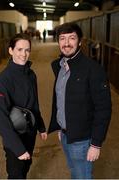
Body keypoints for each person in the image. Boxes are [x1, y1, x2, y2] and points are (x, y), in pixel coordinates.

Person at [48, 22, 111, 179]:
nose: (66, 43)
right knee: (75, 173)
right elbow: (61, 99)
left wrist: (96, 144)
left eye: (72, 38)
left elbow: (103, 108)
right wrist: (59, 126)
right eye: (62, 38)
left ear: (80, 41)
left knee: (82, 176)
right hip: (64, 135)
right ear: (58, 42)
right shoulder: (60, 66)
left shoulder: (93, 70)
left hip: (82, 141)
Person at [0, 33, 47, 179]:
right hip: (14, 135)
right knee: (16, 173)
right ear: (11, 50)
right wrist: (17, 148)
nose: (24, 54)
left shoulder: (31, 75)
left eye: (27, 50)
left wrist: (41, 126)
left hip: (30, 131)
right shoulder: (3, 80)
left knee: (26, 167)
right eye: (19, 49)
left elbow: (34, 104)